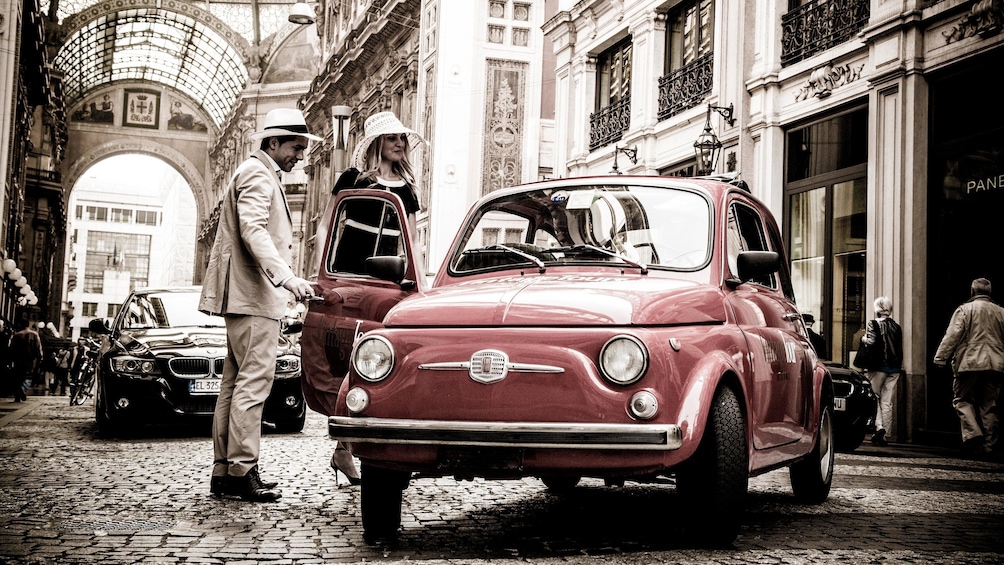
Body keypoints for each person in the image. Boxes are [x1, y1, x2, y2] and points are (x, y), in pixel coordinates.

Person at [199, 107, 319, 502]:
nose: (299, 156)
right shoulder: (256, 173)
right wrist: (286, 277)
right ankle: (241, 471)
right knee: (253, 386)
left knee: (233, 387)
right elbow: (253, 230)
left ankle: (225, 471)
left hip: (246, 296)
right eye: (295, 147)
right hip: (255, 296)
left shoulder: (258, 172)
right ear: (273, 142)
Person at [326, 110, 427, 485]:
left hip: (387, 281)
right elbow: (327, 226)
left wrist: (417, 282)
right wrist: (324, 278)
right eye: (392, 138)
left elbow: (413, 242)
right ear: (375, 145)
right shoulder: (353, 180)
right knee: (353, 360)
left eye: (402, 138)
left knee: (377, 362)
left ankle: (353, 448)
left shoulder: (407, 189)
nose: (400, 143)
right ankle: (345, 447)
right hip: (350, 278)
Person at [933, 278, 1004, 458]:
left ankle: (973, 435)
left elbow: (952, 336)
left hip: (969, 363)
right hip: (996, 364)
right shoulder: (1001, 312)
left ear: (972, 291)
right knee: (990, 405)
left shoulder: (965, 310)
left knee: (962, 400)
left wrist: (940, 358)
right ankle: (989, 447)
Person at [860, 297, 903, 446]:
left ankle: (879, 427)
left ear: (877, 309)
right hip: (895, 368)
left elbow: (871, 342)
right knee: (887, 401)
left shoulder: (873, 324)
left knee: (874, 397)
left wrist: (863, 339)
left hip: (878, 367)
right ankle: (886, 434)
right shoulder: (896, 326)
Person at [8, 318, 43, 402]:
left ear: (20, 325)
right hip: (30, 359)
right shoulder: (34, 334)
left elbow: (12, 348)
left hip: (18, 359)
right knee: (27, 376)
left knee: (17, 376)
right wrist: (39, 357)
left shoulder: (16, 335)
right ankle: (21, 390)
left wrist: (10, 359)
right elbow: (38, 347)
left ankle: (18, 395)